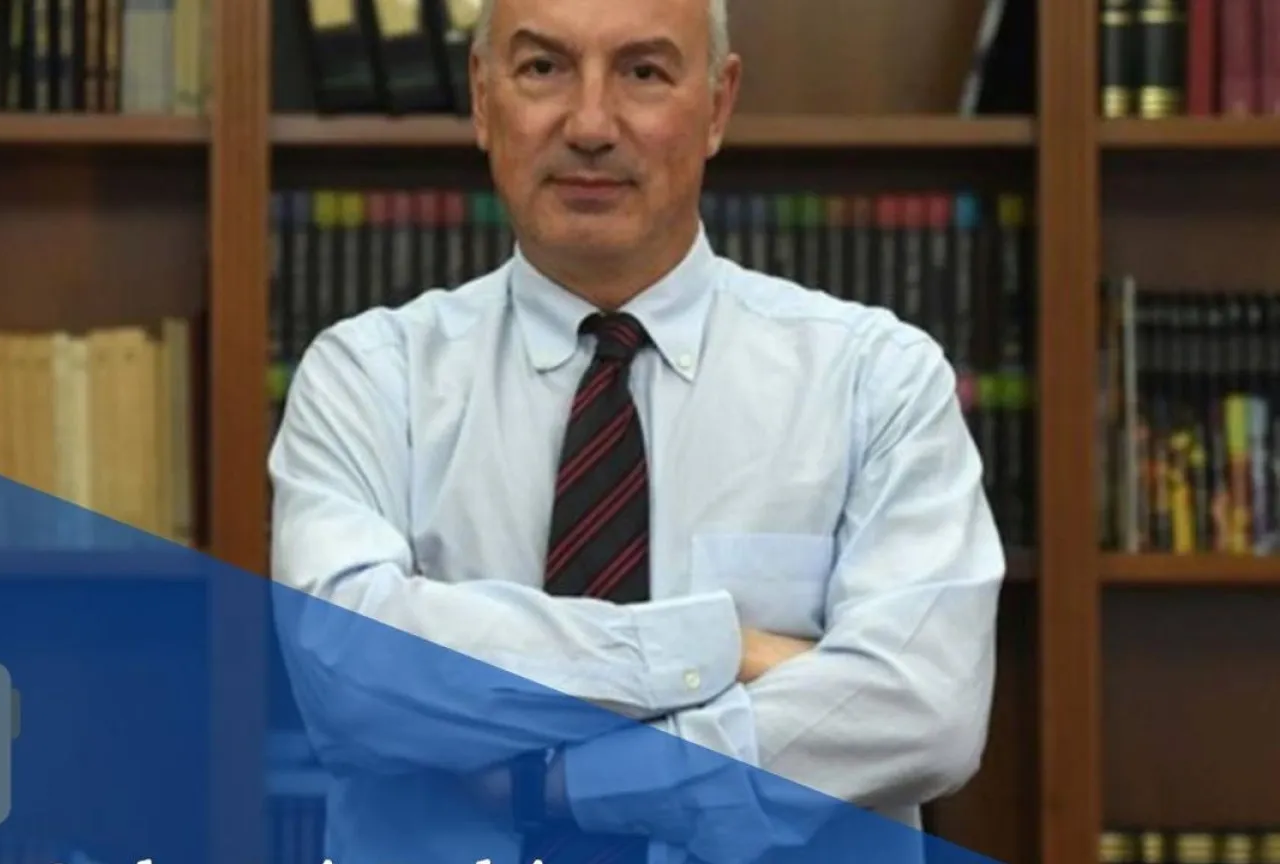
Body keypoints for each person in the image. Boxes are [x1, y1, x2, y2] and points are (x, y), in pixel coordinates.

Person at [267, 0, 1006, 860]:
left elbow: (924, 710)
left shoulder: (876, 379)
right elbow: (352, 672)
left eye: (643, 73)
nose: (590, 125)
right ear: (482, 96)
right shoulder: (367, 378)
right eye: (543, 68)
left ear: (718, 105)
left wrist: (563, 785)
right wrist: (721, 649)